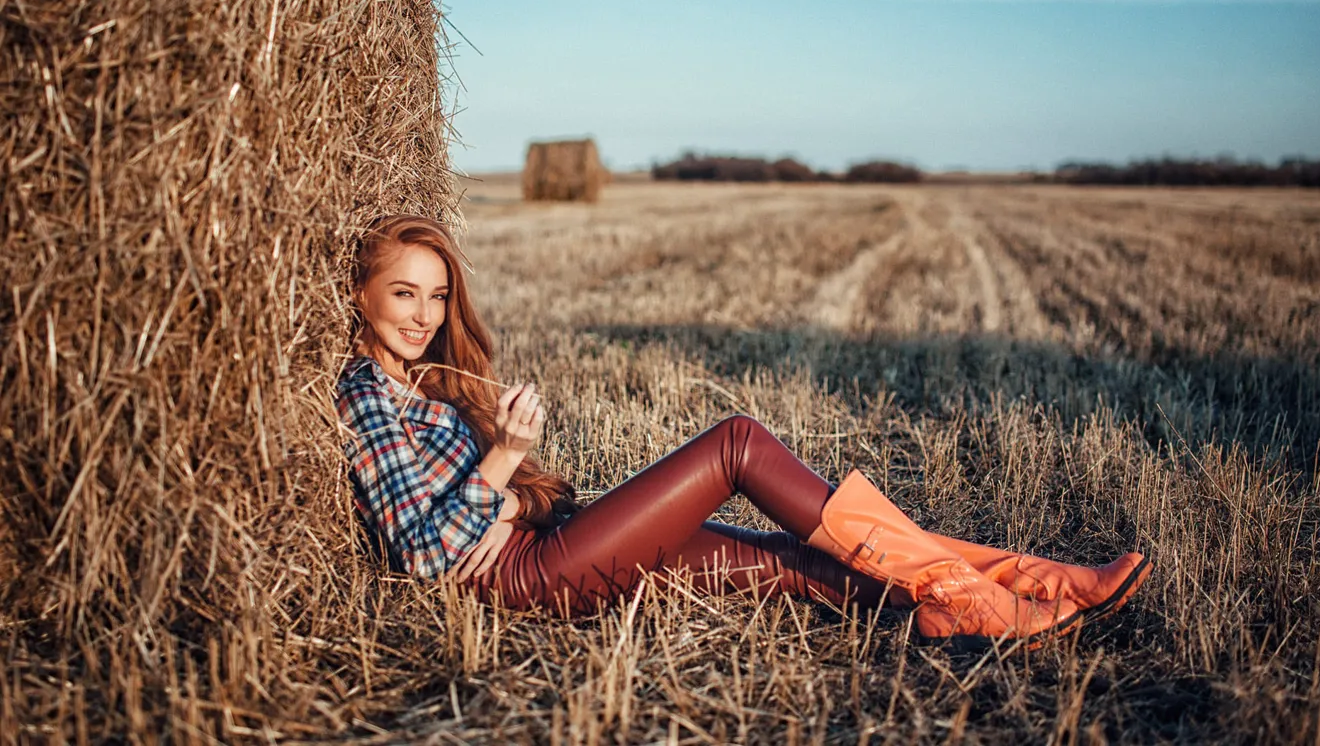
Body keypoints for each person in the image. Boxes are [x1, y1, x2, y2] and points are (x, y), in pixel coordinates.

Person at [335, 214, 1152, 649]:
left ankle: (1016, 590)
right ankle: (983, 598)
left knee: (789, 564)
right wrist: (505, 459)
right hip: (521, 585)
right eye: (403, 294)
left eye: (436, 296)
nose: (425, 314)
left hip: (549, 545)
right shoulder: (367, 393)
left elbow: (494, 508)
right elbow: (423, 555)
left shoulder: (436, 383)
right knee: (737, 444)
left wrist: (513, 502)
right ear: (361, 293)